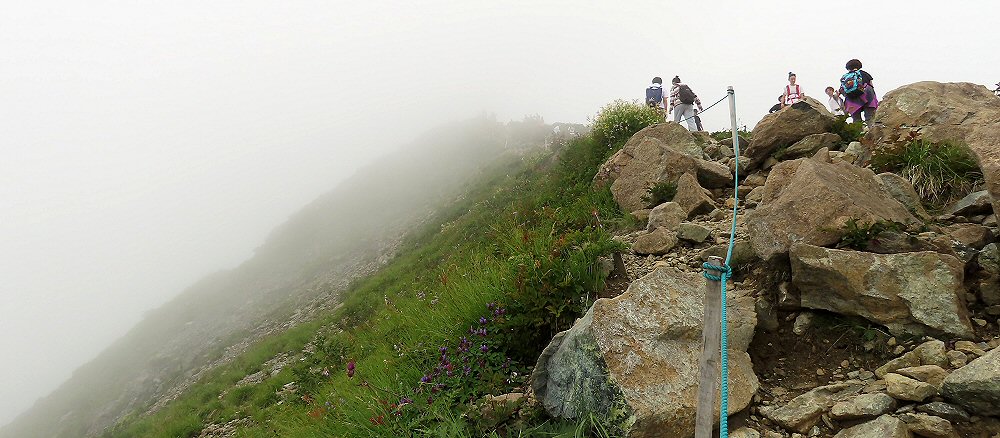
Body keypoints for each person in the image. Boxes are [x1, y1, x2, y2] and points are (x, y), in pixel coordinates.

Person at [839, 59, 879, 123]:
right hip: (867, 95)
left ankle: (858, 128)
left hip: (851, 99)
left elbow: (842, 90)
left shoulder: (845, 77)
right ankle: (871, 128)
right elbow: (871, 85)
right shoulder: (864, 73)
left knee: (856, 120)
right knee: (870, 117)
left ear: (848, 68)